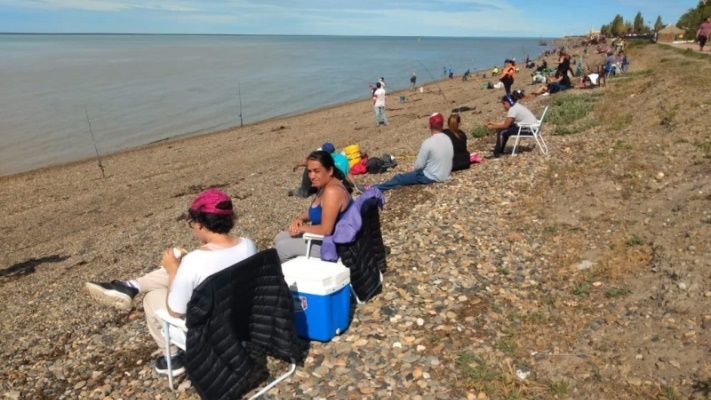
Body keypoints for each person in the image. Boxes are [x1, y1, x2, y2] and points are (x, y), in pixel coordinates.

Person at [84, 189, 257, 377]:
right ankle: (129, 287)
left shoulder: (196, 260)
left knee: (151, 299)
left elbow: (175, 310)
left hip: (211, 332)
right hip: (241, 319)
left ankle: (172, 359)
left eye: (191, 223)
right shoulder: (247, 244)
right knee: (176, 271)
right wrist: (178, 268)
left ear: (199, 224)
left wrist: (175, 270)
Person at [275, 151, 353, 262]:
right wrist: (300, 219)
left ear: (330, 170)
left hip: (332, 245)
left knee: (281, 248)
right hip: (322, 238)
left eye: (316, 171)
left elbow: (326, 230)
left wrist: (301, 228)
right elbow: (315, 211)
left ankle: (292, 276)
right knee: (279, 237)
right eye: (309, 171)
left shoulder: (332, 192)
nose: (312, 176)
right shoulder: (324, 185)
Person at [366, 113, 453, 191]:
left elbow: (419, 166)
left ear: (430, 125)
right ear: (442, 124)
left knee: (398, 178)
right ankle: (393, 186)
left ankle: (374, 188)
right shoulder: (448, 138)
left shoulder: (428, 143)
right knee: (405, 177)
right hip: (445, 175)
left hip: (431, 177)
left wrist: (413, 169)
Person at [486, 94, 537, 158]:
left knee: (502, 132)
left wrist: (493, 127)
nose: (503, 106)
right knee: (504, 130)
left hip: (530, 130)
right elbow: (507, 123)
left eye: (504, 104)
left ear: (508, 102)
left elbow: (505, 125)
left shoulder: (512, 109)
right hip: (531, 128)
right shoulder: (516, 106)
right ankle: (500, 151)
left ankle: (496, 154)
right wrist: (495, 124)